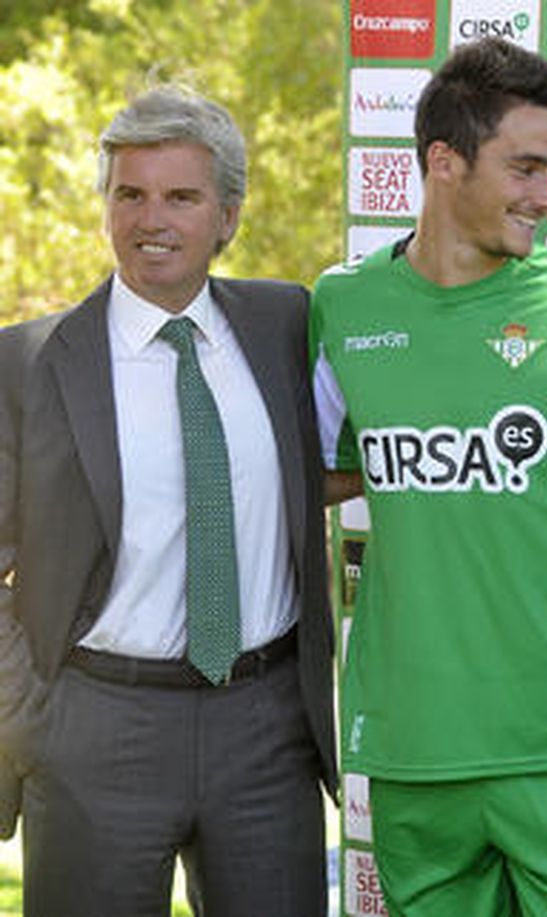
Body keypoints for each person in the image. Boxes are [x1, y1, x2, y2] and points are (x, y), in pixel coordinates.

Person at [310, 38, 547, 916]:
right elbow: (323, 472)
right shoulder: (341, 308)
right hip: (414, 745)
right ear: (444, 161)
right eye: (527, 168)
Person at [0, 85, 336, 916]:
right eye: (130, 194)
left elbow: (338, 460)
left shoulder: (286, 322)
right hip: (96, 729)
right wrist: (32, 724)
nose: (153, 218)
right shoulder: (29, 363)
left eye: (181, 196)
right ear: (107, 207)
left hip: (265, 728)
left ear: (226, 216)